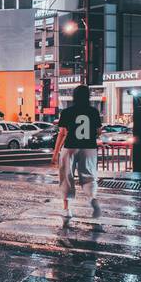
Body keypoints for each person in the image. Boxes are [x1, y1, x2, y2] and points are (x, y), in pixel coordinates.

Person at [52, 85, 102, 219]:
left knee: (66, 177)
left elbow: (62, 133)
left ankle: (66, 209)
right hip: (89, 147)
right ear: (88, 96)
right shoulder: (93, 111)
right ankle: (92, 198)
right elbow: (98, 131)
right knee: (89, 176)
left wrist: (55, 152)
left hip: (70, 147)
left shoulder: (67, 112)